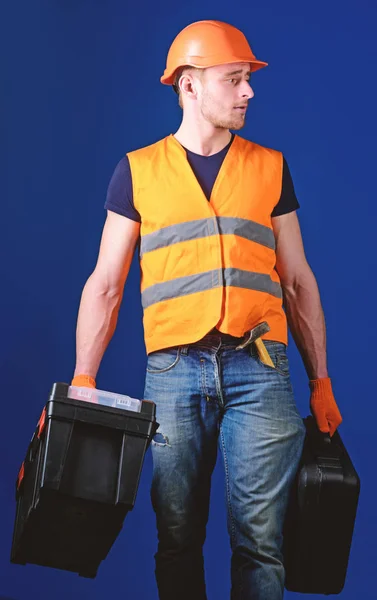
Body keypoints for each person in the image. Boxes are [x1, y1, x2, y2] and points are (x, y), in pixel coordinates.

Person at [71, 20, 342, 600]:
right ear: (189, 86)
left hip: (261, 368)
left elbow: (297, 279)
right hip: (172, 373)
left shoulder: (270, 167)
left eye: (248, 80)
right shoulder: (138, 171)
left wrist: (320, 381)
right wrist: (83, 378)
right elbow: (106, 285)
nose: (248, 92)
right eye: (235, 79)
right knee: (177, 537)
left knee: (261, 542)